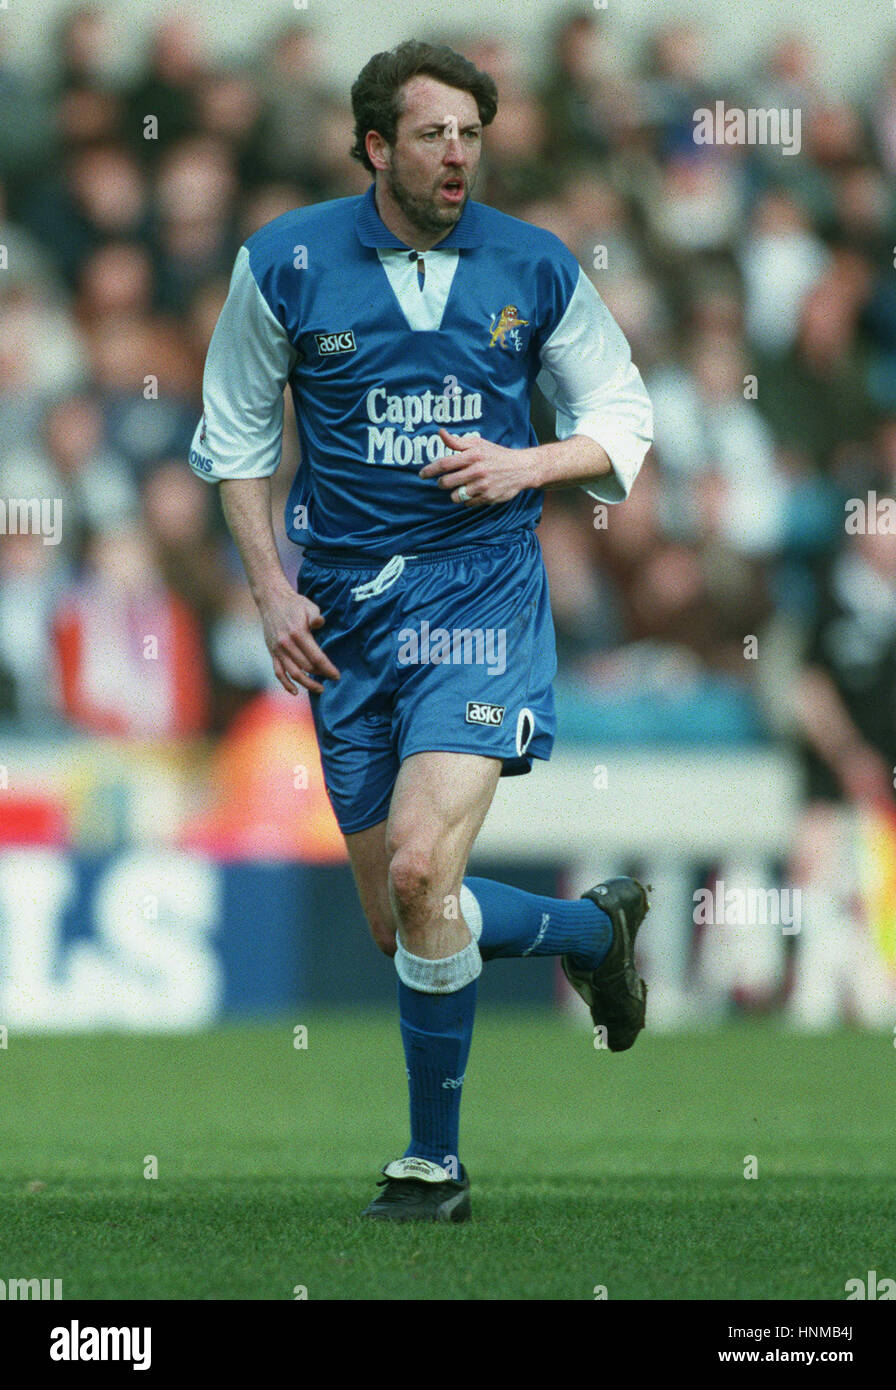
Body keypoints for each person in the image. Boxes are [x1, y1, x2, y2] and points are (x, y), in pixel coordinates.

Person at [188, 40, 654, 1222]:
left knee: (417, 864)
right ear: (377, 145)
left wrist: (526, 462)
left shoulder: (534, 265)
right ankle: (590, 933)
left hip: (477, 596)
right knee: (406, 918)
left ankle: (431, 1162)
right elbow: (236, 436)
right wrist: (268, 589)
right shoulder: (284, 261)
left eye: (472, 135)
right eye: (436, 133)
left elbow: (623, 411)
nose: (459, 155)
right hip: (342, 614)